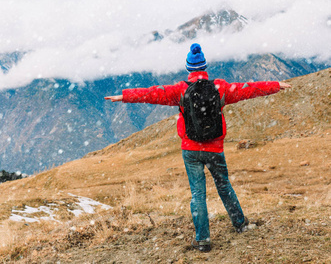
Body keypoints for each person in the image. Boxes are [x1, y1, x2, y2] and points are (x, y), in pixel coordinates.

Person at [104, 43, 291, 252]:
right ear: (205, 68)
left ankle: (203, 240)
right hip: (215, 148)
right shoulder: (220, 88)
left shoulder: (179, 90)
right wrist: (275, 85)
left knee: (198, 194)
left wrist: (125, 96)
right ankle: (240, 224)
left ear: (188, 69)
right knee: (224, 186)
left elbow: (152, 93)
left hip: (190, 149)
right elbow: (248, 89)